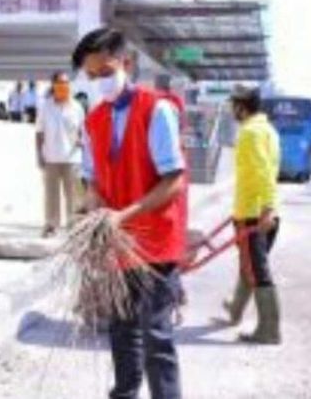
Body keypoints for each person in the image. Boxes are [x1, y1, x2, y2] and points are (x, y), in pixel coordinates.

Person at [75, 28, 185, 399]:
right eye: (91, 77)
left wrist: (123, 216)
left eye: (105, 72)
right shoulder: (93, 121)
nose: (99, 82)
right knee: (121, 330)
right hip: (116, 244)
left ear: (127, 63)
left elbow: (174, 180)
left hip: (155, 243)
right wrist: (94, 214)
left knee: (155, 335)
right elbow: (91, 181)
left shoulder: (157, 110)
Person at [223, 84, 282, 345]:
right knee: (250, 266)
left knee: (257, 270)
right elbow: (269, 171)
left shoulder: (249, 133)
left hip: (253, 214)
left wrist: (265, 209)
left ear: (241, 106)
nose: (231, 110)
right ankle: (235, 309)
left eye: (233, 105)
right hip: (262, 211)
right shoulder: (268, 129)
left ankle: (269, 329)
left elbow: (262, 173)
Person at [36, 72, 84, 237]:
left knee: (74, 195)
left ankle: (75, 227)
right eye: (59, 83)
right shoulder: (45, 107)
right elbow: (39, 132)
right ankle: (51, 225)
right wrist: (39, 155)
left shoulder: (77, 107)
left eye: (66, 83)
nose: (63, 86)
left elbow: (82, 131)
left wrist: (81, 141)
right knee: (51, 194)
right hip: (51, 157)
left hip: (73, 159)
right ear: (53, 85)